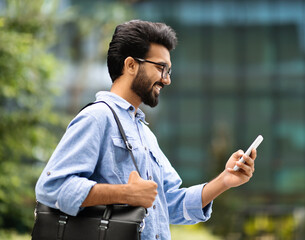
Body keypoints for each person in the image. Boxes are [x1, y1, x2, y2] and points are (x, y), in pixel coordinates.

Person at [35, 19, 257, 240]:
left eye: (169, 70)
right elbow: (52, 186)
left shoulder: (144, 133)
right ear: (131, 65)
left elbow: (168, 203)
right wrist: (125, 193)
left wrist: (225, 180)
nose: (167, 80)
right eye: (161, 68)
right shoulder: (97, 118)